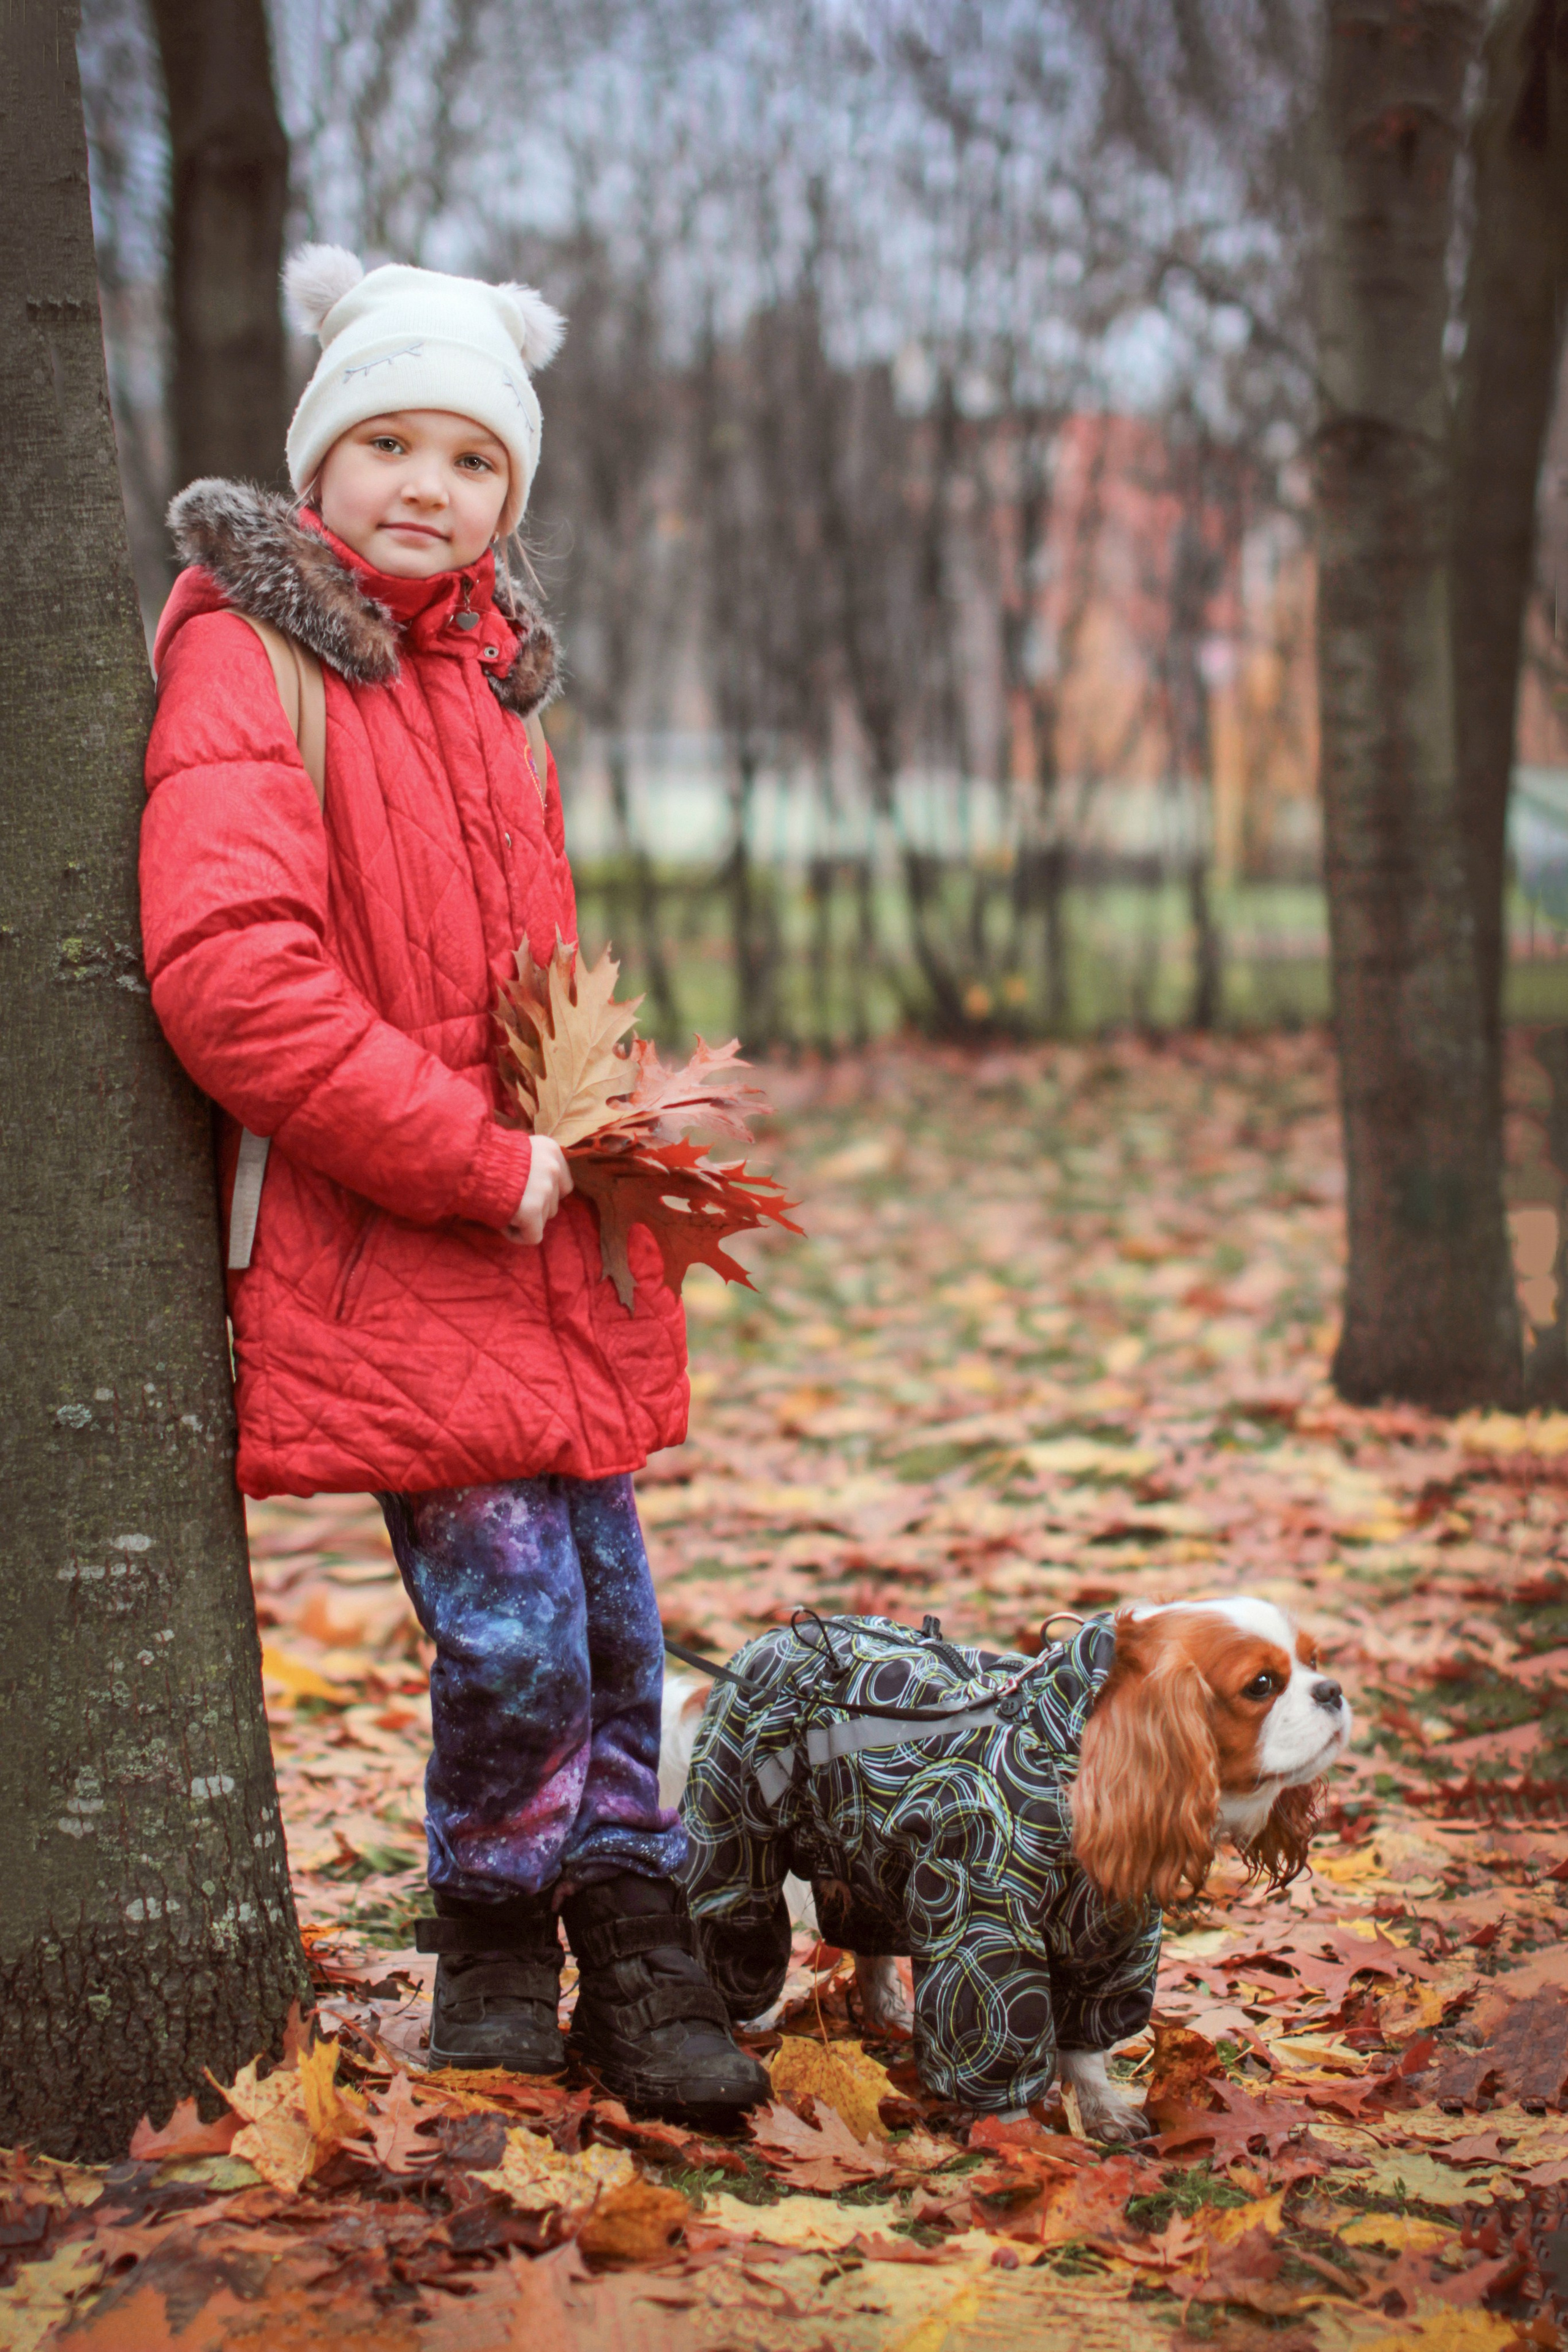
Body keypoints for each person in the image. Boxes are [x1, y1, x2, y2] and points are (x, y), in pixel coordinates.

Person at [140, 243, 766, 2117]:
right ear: (317, 464)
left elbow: (516, 987)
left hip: (546, 1247)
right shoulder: (245, 660)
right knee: (509, 1637)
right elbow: (235, 980)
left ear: (514, 492)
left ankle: (637, 1940)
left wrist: (590, 1135)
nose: (430, 486)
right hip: (404, 1247)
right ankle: (494, 1932)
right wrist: (477, 1163)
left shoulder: (495, 691)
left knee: (622, 1630)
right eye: (390, 442)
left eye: (474, 459)